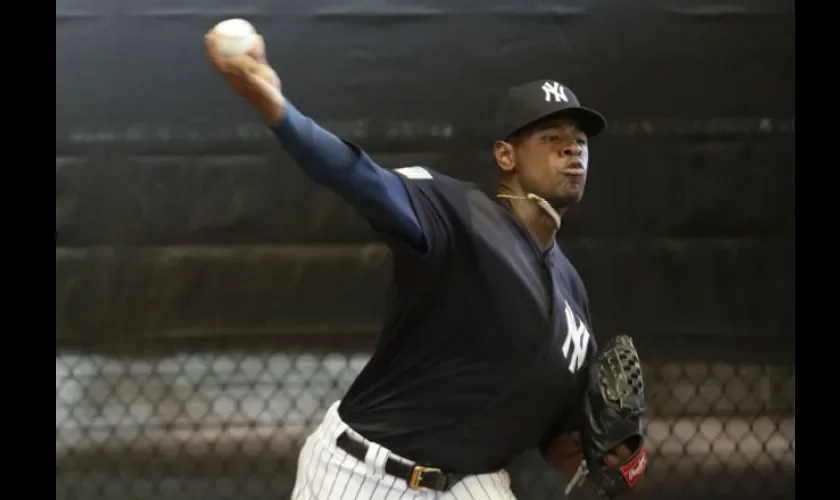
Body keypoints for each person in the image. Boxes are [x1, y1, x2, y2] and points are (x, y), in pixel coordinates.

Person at [204, 30, 647, 500]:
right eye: (551, 137)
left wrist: (606, 455)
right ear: (506, 155)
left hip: (473, 486)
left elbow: (558, 439)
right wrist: (279, 110)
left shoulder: (572, 293)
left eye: (580, 141)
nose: (572, 149)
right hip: (363, 474)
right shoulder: (455, 213)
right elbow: (359, 177)